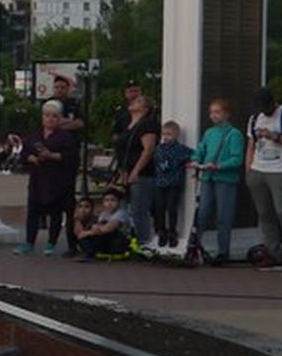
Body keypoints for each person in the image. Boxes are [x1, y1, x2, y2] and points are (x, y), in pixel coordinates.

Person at [244, 87, 282, 274]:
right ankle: (273, 253)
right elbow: (251, 145)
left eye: (267, 106)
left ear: (273, 101)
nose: (265, 110)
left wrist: (275, 137)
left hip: (280, 169)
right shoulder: (255, 118)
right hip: (258, 169)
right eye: (261, 107)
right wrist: (248, 170)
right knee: (265, 214)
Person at [189, 98, 245, 265]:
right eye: (211, 112)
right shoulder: (209, 132)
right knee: (202, 213)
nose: (213, 115)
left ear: (227, 114)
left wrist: (220, 166)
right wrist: (195, 159)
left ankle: (223, 252)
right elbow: (201, 149)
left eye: (217, 112)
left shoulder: (234, 134)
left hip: (225, 179)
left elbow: (237, 158)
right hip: (208, 177)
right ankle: (195, 248)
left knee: (223, 216)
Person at [19, 99, 79, 255]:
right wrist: (31, 158)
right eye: (47, 115)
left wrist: (51, 155)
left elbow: (72, 157)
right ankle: (29, 242)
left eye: (54, 116)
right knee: (33, 211)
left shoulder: (66, 137)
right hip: (38, 179)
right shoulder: (35, 134)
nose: (50, 119)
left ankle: (51, 243)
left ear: (59, 119)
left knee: (55, 213)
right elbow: (24, 153)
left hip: (57, 180)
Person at [114, 91, 159, 245]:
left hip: (142, 173)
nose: (133, 102)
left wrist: (136, 170)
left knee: (139, 210)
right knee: (125, 209)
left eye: (139, 101)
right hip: (125, 171)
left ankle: (143, 241)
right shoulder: (127, 125)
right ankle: (128, 241)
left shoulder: (147, 124)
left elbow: (148, 149)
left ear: (146, 109)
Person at [152, 120, 194, 250]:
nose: (166, 137)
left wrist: (191, 163)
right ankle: (161, 231)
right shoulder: (159, 148)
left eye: (169, 134)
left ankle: (172, 232)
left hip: (174, 184)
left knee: (172, 208)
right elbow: (155, 162)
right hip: (160, 183)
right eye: (164, 134)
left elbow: (193, 154)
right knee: (159, 208)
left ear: (176, 135)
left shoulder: (180, 149)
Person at [75, 186, 135, 261]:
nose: (109, 203)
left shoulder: (121, 213)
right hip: (106, 239)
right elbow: (96, 228)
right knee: (85, 238)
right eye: (106, 201)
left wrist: (90, 232)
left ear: (118, 202)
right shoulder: (104, 214)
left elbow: (108, 228)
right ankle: (90, 253)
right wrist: (89, 232)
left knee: (100, 233)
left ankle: (91, 253)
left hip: (121, 241)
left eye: (112, 200)